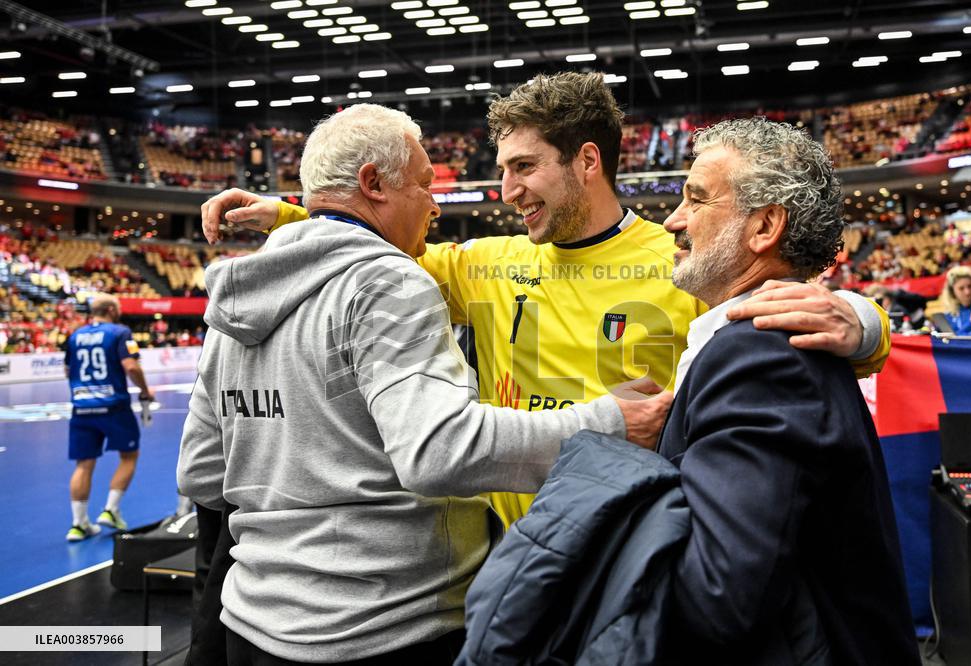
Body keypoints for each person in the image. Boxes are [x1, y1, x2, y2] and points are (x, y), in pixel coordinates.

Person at [200, 72, 890, 528]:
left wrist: (862, 322)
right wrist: (293, 214)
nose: (506, 190)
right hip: (505, 549)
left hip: (629, 541)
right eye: (502, 170)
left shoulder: (683, 266)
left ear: (587, 162)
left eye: (524, 167)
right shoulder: (484, 263)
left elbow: (798, 326)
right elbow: (370, 242)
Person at [177, 103, 670, 665]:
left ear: (587, 161)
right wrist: (608, 423)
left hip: (256, 620)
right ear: (373, 183)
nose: (439, 203)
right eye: (424, 185)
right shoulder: (438, 271)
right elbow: (437, 447)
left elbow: (201, 472)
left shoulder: (237, 298)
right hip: (413, 612)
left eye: (524, 167)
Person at [657, 118, 920, 664]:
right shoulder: (760, 340)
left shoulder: (762, 353)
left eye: (696, 199)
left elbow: (718, 595)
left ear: (765, 226)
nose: (672, 220)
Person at [64, 293, 154, 541]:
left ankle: (78, 524)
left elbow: (68, 370)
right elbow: (132, 366)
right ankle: (111, 509)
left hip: (81, 408)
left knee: (84, 464)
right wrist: (146, 391)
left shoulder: (75, 336)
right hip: (114, 407)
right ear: (112, 309)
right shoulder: (120, 332)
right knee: (129, 456)